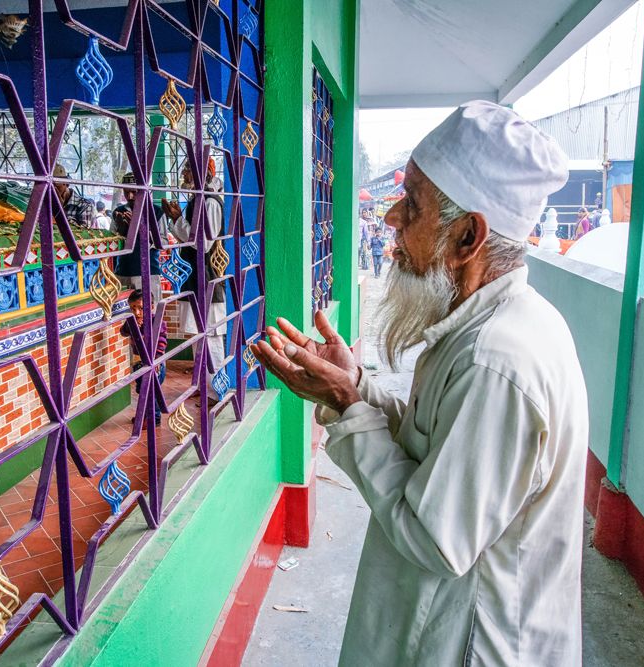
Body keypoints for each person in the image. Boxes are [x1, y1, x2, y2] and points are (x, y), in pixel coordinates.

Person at [252, 101, 587, 666]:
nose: (390, 220)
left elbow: (435, 538)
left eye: (412, 203)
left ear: (467, 238)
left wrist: (346, 403)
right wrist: (355, 384)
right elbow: (436, 441)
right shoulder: (492, 325)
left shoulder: (495, 361)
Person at [161, 158, 227, 404]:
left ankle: (215, 390)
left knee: (210, 337)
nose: (184, 173)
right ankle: (205, 385)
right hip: (195, 276)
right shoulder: (199, 199)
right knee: (200, 337)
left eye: (189, 168)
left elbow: (204, 243)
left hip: (207, 277)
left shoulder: (209, 202)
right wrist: (178, 218)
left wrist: (178, 219)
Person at [113, 172, 167, 301]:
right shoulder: (118, 212)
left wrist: (141, 230)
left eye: (134, 192)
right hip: (123, 271)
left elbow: (163, 242)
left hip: (148, 272)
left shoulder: (156, 212)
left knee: (149, 313)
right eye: (126, 192)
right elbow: (113, 242)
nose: (130, 196)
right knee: (124, 315)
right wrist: (120, 232)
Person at [120, 289, 168, 425]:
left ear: (151, 307)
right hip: (139, 364)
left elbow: (162, 343)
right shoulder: (132, 321)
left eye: (141, 308)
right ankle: (146, 416)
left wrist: (157, 360)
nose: (137, 312)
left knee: (151, 392)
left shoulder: (157, 322)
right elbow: (123, 332)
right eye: (133, 308)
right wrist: (132, 325)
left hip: (154, 365)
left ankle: (153, 419)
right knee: (143, 390)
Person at [52, 163, 95, 228]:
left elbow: (84, 234)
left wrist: (59, 210)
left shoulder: (85, 205)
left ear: (66, 184)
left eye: (56, 186)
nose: (52, 190)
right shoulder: (45, 203)